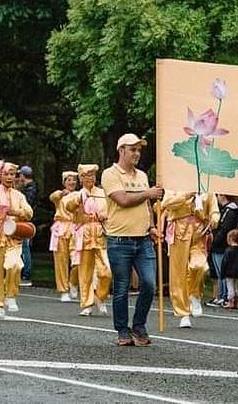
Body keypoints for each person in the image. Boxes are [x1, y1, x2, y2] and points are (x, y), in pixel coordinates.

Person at [101, 133, 163, 346]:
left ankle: (139, 325)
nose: (137, 153)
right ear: (121, 151)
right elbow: (123, 200)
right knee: (121, 287)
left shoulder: (142, 176)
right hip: (120, 240)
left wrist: (153, 226)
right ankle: (122, 330)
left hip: (143, 238)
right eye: (133, 149)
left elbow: (147, 206)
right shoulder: (110, 174)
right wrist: (149, 194)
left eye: (139, 150)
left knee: (149, 283)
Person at [0, 161, 34, 318]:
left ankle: (11, 295)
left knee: (14, 265)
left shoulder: (19, 195)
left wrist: (14, 211)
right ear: (0, 175)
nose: (10, 177)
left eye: (12, 174)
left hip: (13, 234)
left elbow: (29, 213)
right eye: (6, 174)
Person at [157, 190, 218, 328]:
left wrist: (214, 218)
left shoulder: (206, 187)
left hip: (199, 233)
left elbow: (214, 208)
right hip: (179, 231)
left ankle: (194, 294)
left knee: (200, 266)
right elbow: (166, 204)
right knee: (178, 273)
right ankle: (183, 313)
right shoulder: (175, 186)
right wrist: (185, 196)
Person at [64, 164, 112, 317]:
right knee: (85, 271)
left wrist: (105, 215)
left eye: (92, 175)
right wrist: (79, 199)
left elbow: (110, 210)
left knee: (106, 271)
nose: (90, 178)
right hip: (83, 234)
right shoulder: (77, 195)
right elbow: (68, 206)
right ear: (81, 178)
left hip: (99, 233)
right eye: (86, 175)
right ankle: (86, 303)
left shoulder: (102, 193)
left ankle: (101, 296)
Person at [49, 170, 79, 302]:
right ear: (64, 182)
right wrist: (62, 193)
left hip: (76, 228)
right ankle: (63, 290)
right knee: (61, 261)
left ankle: (73, 282)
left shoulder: (80, 195)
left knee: (78, 260)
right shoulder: (59, 196)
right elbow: (53, 197)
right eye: (69, 180)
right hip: (61, 228)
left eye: (74, 180)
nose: (72, 182)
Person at [208, 194, 238, 307]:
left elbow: (224, 228)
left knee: (223, 272)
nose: (217, 197)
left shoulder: (229, 211)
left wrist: (215, 241)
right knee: (219, 272)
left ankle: (225, 297)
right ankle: (221, 295)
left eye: (219, 195)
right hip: (219, 245)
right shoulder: (225, 210)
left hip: (221, 246)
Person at [18, 165, 37, 287]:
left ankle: (26, 274)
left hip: (26, 221)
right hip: (26, 220)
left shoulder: (30, 190)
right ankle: (24, 273)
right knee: (24, 247)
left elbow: (27, 205)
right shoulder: (31, 188)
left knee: (25, 247)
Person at [221, 229, 238, 310]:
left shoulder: (228, 251)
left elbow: (225, 262)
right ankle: (236, 301)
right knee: (235, 286)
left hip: (229, 271)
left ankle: (230, 301)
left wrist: (222, 272)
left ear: (230, 239)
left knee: (230, 287)